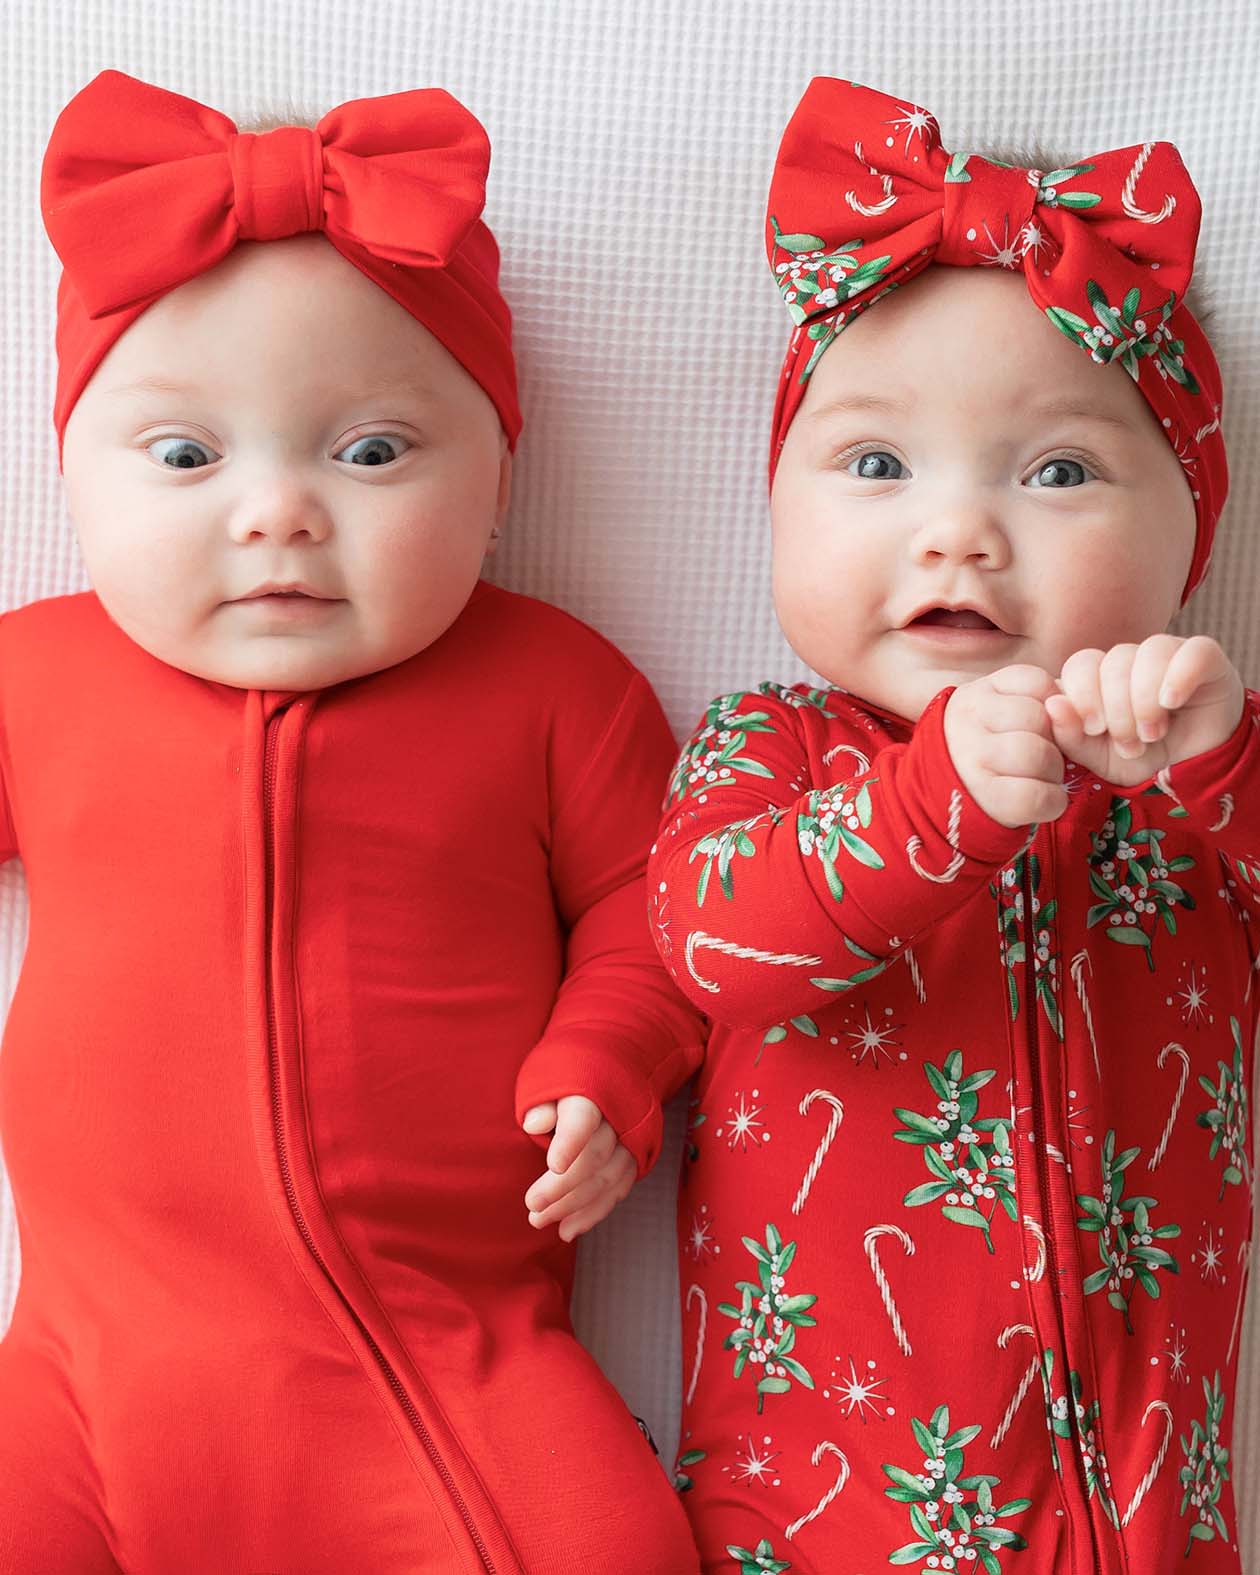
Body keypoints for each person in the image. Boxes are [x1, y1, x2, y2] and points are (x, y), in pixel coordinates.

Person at [0, 70, 703, 1573]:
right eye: (187, 456)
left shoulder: (554, 686)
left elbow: (660, 909)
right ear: (73, 474)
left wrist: (609, 1066)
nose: (276, 514)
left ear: (500, 478)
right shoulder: (36, 676)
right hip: (92, 1375)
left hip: (455, 1361)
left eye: (371, 451)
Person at [650, 75, 1252, 1574]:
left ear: (1188, 537)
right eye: (875, 465)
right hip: (814, 1515)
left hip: (1145, 1516)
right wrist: (939, 802)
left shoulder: (1187, 796)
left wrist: (1223, 761)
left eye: (1058, 473)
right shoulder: (769, 747)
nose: (958, 530)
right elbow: (718, 942)